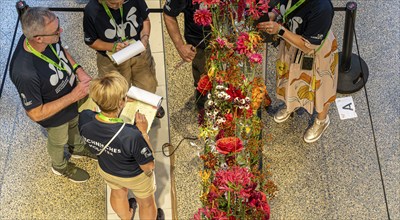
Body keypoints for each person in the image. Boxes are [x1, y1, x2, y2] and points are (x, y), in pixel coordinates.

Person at [9, 7, 95, 183]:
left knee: (75, 124)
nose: (60, 31)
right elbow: (35, 113)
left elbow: (62, 50)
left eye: (59, 25)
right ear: (38, 38)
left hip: (70, 97)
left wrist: (79, 71)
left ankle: (77, 147)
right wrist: (73, 96)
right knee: (58, 140)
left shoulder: (49, 37)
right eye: (56, 31)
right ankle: (60, 166)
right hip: (55, 114)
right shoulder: (24, 71)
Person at [79, 71, 164, 220]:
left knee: (118, 193)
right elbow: (149, 166)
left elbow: (97, 122)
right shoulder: (131, 135)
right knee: (147, 204)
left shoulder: (85, 118)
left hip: (107, 168)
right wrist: (143, 132)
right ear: (121, 103)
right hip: (134, 176)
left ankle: (126, 216)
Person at [257, 0, 338, 143]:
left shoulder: (322, 7)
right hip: (290, 43)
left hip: (315, 53)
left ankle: (322, 120)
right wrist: (273, 14)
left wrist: (280, 30)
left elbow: (308, 46)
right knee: (290, 79)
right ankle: (291, 105)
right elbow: (283, 6)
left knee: (321, 88)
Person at [163, 0, 211, 111]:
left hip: (231, 41)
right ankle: (202, 104)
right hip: (200, 44)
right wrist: (180, 46)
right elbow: (169, 14)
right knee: (203, 79)